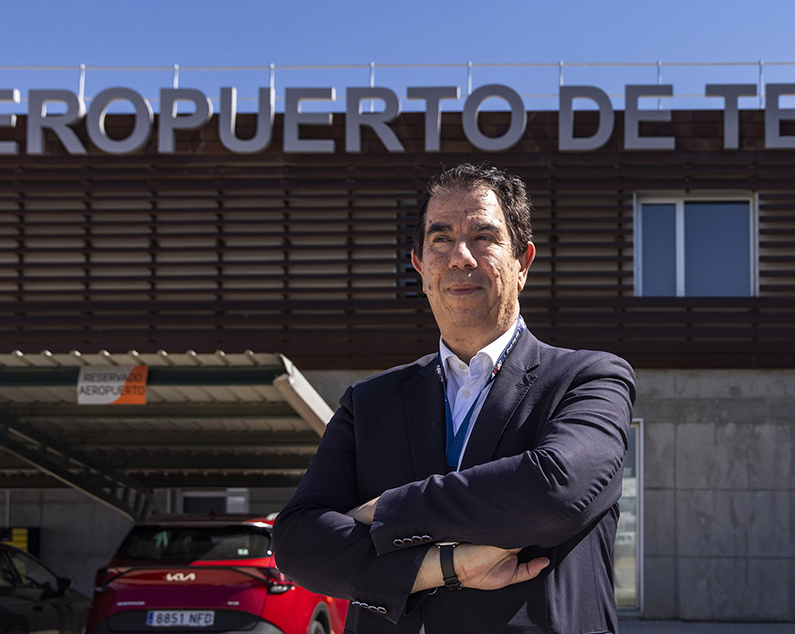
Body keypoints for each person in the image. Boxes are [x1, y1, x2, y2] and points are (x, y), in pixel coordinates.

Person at [272, 162, 636, 634]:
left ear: (522, 263)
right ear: (421, 266)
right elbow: (298, 541)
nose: (460, 256)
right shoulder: (369, 403)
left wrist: (387, 511)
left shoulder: (588, 379)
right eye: (440, 238)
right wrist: (448, 568)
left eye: (483, 236)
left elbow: (554, 488)